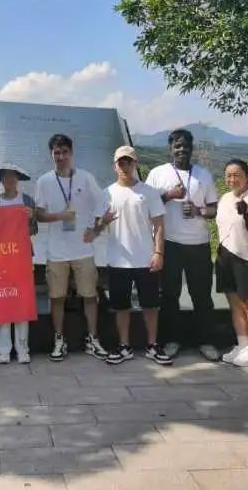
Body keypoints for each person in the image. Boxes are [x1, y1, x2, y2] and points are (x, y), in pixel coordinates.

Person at [35, 134, 112, 362]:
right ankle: (59, 339)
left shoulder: (86, 178)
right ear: (51, 155)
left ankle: (93, 338)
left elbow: (104, 205)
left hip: (83, 250)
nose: (61, 157)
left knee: (89, 295)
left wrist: (95, 230)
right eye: (56, 153)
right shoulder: (44, 181)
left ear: (71, 153)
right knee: (56, 297)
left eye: (65, 152)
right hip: (56, 252)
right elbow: (39, 215)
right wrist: (60, 216)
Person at [145, 129, 219, 361]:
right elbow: (145, 204)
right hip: (169, 243)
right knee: (169, 295)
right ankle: (172, 340)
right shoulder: (157, 174)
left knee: (202, 295)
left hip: (199, 243)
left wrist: (198, 210)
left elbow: (214, 209)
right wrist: (168, 195)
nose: (182, 149)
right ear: (170, 148)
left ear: (192, 149)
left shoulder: (203, 175)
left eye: (186, 145)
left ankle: (206, 341)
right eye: (177, 146)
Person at [103, 146, 172, 366]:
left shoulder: (148, 192)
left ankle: (152, 344)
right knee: (121, 306)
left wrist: (159, 252)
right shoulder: (106, 193)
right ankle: (124, 345)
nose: (125, 166)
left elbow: (159, 224)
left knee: (150, 305)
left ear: (135, 164)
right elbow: (97, 225)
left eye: (129, 162)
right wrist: (101, 222)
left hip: (145, 258)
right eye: (121, 162)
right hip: (117, 259)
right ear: (115, 166)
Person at [216, 159, 248, 368]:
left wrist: (246, 211)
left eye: (237, 174)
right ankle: (242, 344)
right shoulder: (225, 198)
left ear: (247, 176)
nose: (232, 179)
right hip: (226, 256)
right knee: (235, 304)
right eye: (228, 175)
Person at [0, 163, 38, 364]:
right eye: (5, 177)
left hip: (22, 257)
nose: (9, 180)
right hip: (0, 259)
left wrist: (31, 218)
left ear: (18, 180)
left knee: (22, 303)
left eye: (12, 177)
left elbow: (34, 230)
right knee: (2, 302)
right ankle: (3, 350)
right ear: (1, 181)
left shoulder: (27, 201)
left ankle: (22, 348)